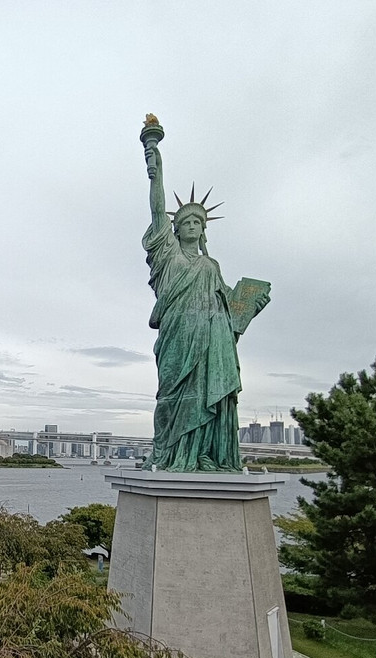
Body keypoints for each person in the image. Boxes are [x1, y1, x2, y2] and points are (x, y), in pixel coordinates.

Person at [141, 137, 268, 472]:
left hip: (211, 342)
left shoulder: (211, 267)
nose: (193, 226)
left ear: (204, 229)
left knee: (206, 395)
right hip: (177, 336)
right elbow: (157, 210)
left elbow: (230, 311)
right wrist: (157, 171)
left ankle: (202, 454)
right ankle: (169, 453)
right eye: (187, 223)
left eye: (198, 222)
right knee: (170, 397)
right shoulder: (167, 256)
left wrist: (252, 304)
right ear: (176, 230)